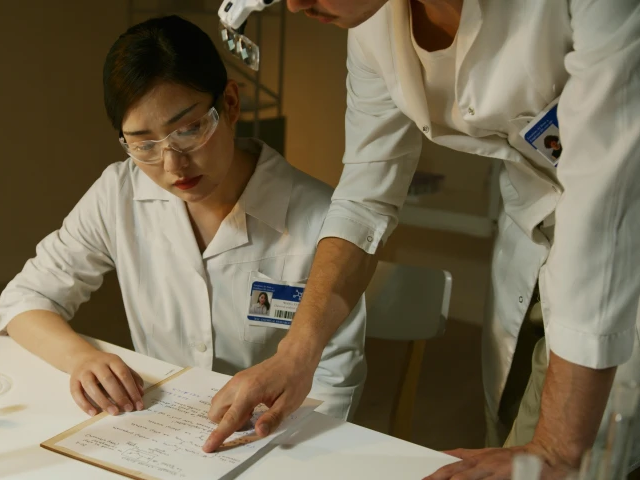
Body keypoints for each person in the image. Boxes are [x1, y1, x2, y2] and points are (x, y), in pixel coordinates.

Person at [202, 0, 640, 478]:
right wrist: (294, 355)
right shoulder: (373, 28)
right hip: (534, 224)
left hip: (623, 237)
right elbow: (366, 198)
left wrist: (556, 447)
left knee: (572, 459)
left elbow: (604, 205)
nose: (295, 4)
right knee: (506, 437)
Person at [0, 15, 365, 423]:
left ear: (229, 104)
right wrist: (81, 358)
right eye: (144, 145)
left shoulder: (322, 219)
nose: (173, 164)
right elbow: (26, 299)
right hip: (161, 431)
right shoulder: (119, 193)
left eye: (189, 130)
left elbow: (334, 385)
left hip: (273, 436)